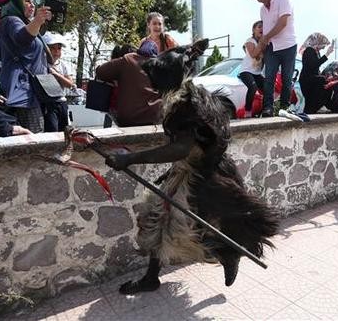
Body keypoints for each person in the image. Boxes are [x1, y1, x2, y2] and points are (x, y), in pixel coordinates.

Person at [99, 42, 278, 295]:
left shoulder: (184, 104)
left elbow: (181, 148)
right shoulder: (193, 95)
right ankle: (156, 276)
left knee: (176, 223)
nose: (150, 83)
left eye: (152, 78)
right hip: (201, 171)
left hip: (201, 177)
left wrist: (129, 159)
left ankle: (227, 253)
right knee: (157, 219)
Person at [0, 0, 52, 133]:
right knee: (35, 139)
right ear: (15, 4)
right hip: (23, 90)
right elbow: (22, 39)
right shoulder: (12, 20)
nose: (32, 5)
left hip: (24, 89)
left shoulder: (20, 22)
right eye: (27, 1)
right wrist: (38, 21)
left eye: (33, 2)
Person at [250, 0, 297, 117]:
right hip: (272, 47)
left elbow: (283, 23)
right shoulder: (262, 10)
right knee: (269, 78)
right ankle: (268, 108)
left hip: (288, 46)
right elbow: (265, 31)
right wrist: (260, 47)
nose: (259, 0)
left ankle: (284, 107)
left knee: (287, 78)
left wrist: (266, 37)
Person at [94, 40, 163, 127]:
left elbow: (100, 71)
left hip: (128, 118)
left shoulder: (129, 59)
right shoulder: (160, 66)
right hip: (155, 117)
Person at [42, 32, 74, 132]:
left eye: (59, 48)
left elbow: (70, 84)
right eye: (52, 48)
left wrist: (57, 75)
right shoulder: (41, 64)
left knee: (65, 132)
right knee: (52, 131)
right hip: (49, 103)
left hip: (62, 102)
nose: (56, 52)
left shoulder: (63, 65)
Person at [298, 32, 334, 113]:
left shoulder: (316, 52)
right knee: (323, 81)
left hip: (312, 78)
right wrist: (327, 54)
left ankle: (320, 105)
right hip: (307, 79)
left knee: (327, 82)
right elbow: (313, 65)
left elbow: (316, 68)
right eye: (323, 44)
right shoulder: (309, 50)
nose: (324, 47)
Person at [238, 20, 265, 118]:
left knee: (268, 89)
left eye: (263, 27)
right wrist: (262, 43)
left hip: (257, 73)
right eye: (259, 27)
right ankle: (248, 112)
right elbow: (254, 54)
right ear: (253, 30)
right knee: (253, 87)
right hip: (246, 71)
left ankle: (263, 111)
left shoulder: (263, 42)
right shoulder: (250, 41)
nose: (262, 29)